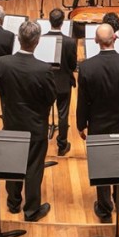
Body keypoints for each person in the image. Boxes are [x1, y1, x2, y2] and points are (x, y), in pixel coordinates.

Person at [77, 24, 119, 223]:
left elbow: (83, 101)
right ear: (115, 38)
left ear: (96, 41)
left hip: (98, 125)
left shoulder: (87, 67)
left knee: (102, 166)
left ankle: (105, 208)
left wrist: (81, 124)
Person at [0, 22, 56, 222]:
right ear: (37, 41)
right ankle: (31, 211)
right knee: (33, 168)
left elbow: (2, 89)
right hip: (35, 125)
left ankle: (13, 203)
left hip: (12, 122)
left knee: (12, 164)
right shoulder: (43, 69)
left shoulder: (4, 62)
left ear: (18, 38)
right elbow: (50, 98)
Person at [43, 8, 77, 156]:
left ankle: (42, 144)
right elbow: (73, 65)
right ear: (62, 23)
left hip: (45, 83)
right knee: (63, 114)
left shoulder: (41, 39)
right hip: (63, 83)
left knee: (43, 113)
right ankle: (62, 146)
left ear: (49, 21)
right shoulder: (70, 42)